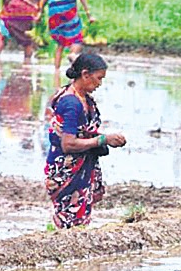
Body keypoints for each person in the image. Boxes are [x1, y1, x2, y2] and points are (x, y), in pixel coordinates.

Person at [45, 53, 126, 229]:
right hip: (66, 168)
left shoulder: (83, 99)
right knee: (69, 219)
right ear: (85, 74)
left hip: (78, 167)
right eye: (98, 78)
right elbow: (69, 144)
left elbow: (82, 133)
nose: (99, 84)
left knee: (75, 221)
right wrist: (103, 139)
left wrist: (104, 139)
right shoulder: (71, 103)